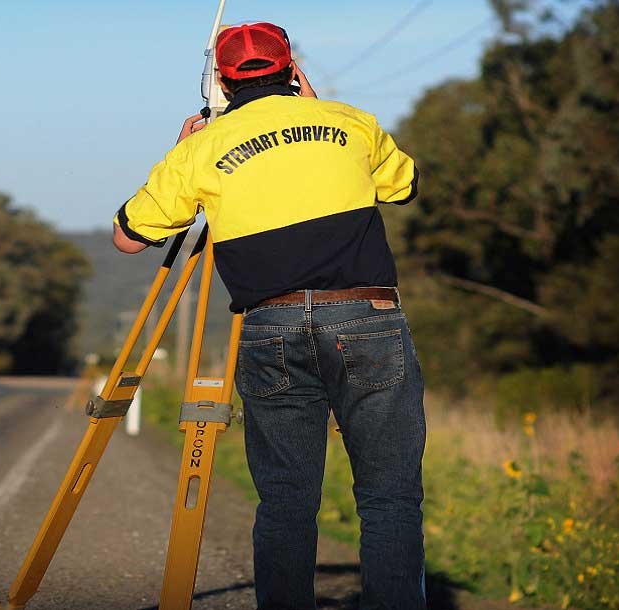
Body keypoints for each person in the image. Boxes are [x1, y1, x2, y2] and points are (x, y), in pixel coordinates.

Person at [111, 22, 425, 610]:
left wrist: (185, 150)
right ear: (293, 69)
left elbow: (128, 238)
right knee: (389, 499)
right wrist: (318, 111)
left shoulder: (203, 148)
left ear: (224, 84)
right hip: (368, 317)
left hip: (270, 326)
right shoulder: (352, 122)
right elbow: (403, 185)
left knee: (285, 501)